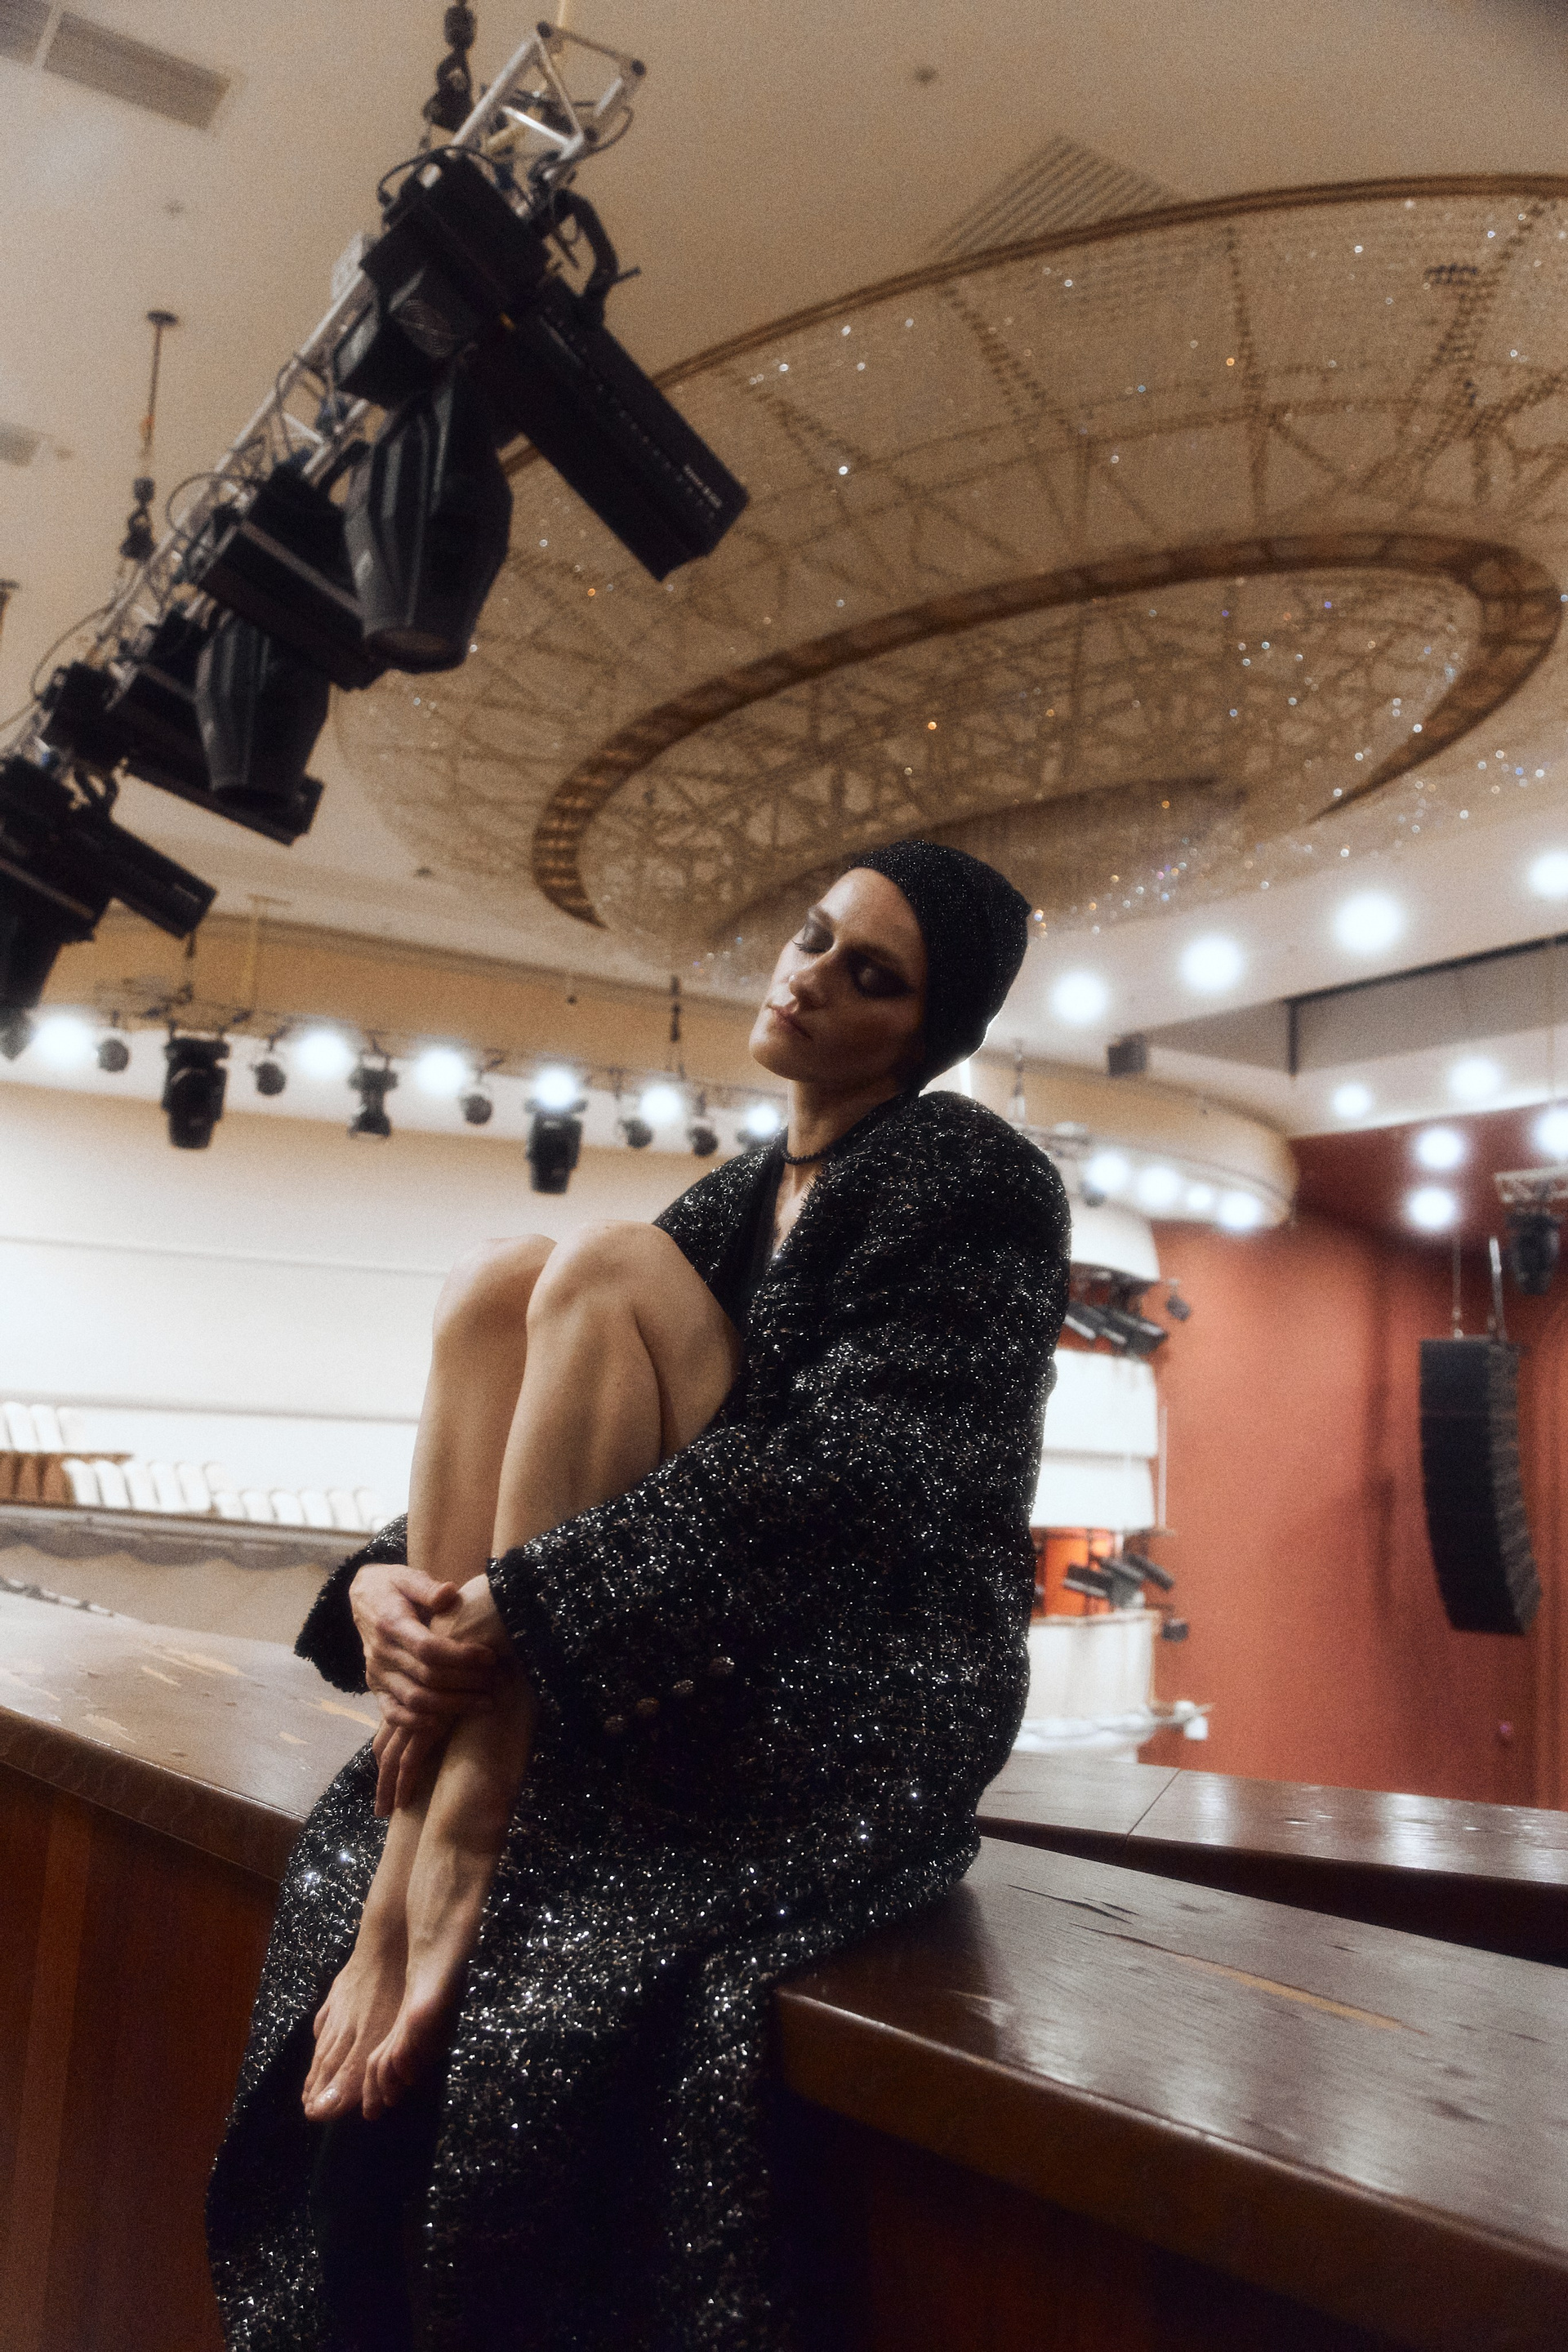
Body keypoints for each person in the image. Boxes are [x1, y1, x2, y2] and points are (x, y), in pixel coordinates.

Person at [207, 839, 1070, 2352]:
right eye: (816, 936)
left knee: (597, 1266)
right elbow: (550, 1430)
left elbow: (867, 1468)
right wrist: (386, 1588)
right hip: (673, 1641)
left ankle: (460, 1839)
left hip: (858, 1682)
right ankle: (413, 1848)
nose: (811, 976)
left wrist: (534, 1598)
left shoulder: (972, 1177)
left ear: (926, 1034)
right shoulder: (740, 1195)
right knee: (502, 1279)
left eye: (872, 974)